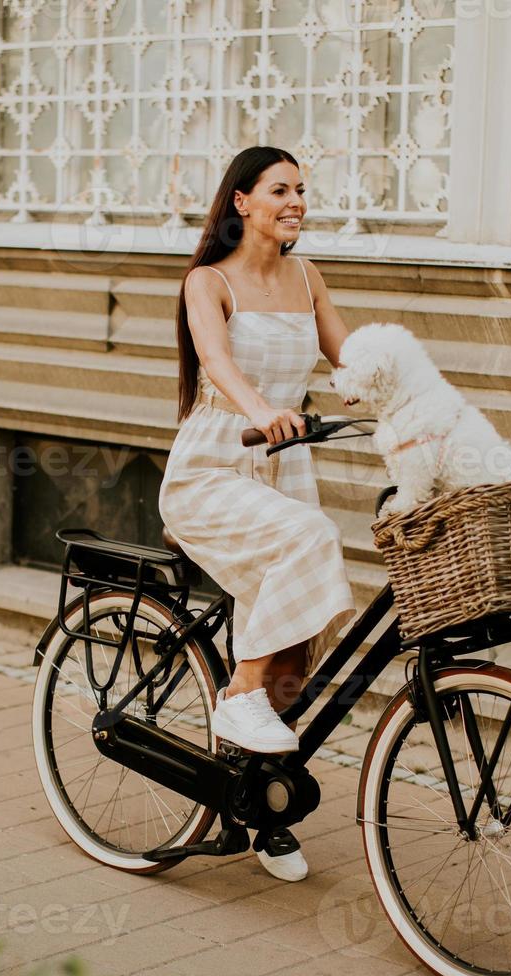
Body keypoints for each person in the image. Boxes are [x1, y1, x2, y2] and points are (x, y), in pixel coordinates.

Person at [157, 146, 358, 882]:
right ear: (242, 201)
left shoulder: (308, 277)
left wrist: (406, 403)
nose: (297, 200)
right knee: (312, 538)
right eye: (281, 189)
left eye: (302, 189)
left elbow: (351, 360)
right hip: (215, 462)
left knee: (298, 650)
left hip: (284, 463)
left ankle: (257, 803)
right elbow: (219, 363)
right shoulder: (207, 282)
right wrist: (264, 410)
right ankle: (238, 696)